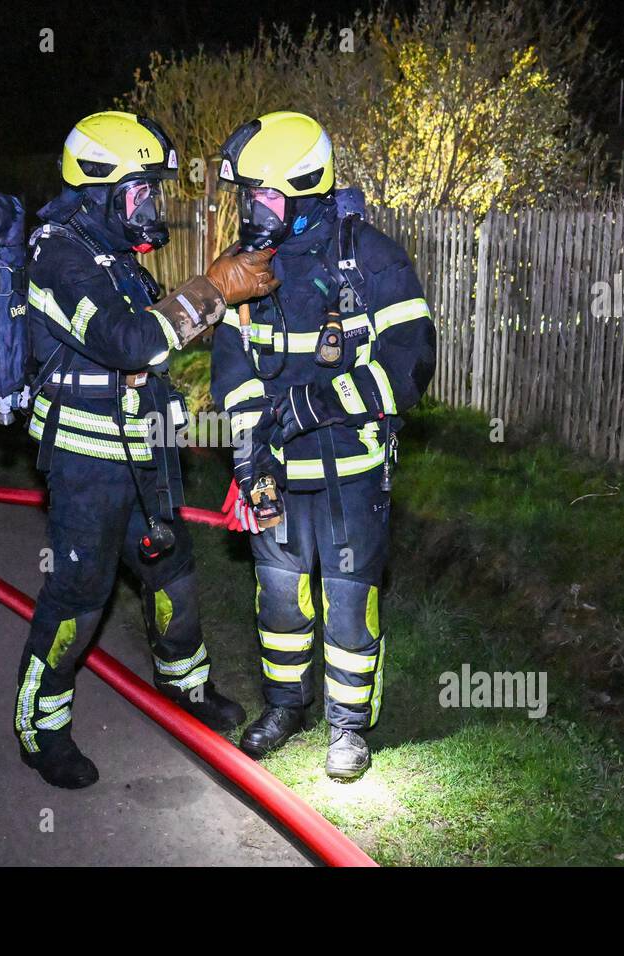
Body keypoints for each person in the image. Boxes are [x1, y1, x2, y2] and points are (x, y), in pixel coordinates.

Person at [13, 110, 278, 789]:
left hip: (144, 450)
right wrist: (212, 287)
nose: (151, 206)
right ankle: (42, 729)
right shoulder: (58, 253)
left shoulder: (112, 255)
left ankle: (186, 689)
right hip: (87, 461)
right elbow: (129, 342)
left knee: (171, 569)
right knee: (80, 592)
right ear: (102, 188)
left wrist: (201, 313)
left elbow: (150, 337)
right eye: (141, 191)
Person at [211, 111, 437, 780]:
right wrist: (251, 448)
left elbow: (412, 359)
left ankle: (348, 729)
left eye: (264, 195)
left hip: (352, 474)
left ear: (304, 191)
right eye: (248, 195)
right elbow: (232, 364)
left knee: (347, 603)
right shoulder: (248, 268)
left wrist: (319, 404)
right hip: (277, 474)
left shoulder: (373, 260)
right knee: (279, 602)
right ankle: (286, 707)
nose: (253, 209)